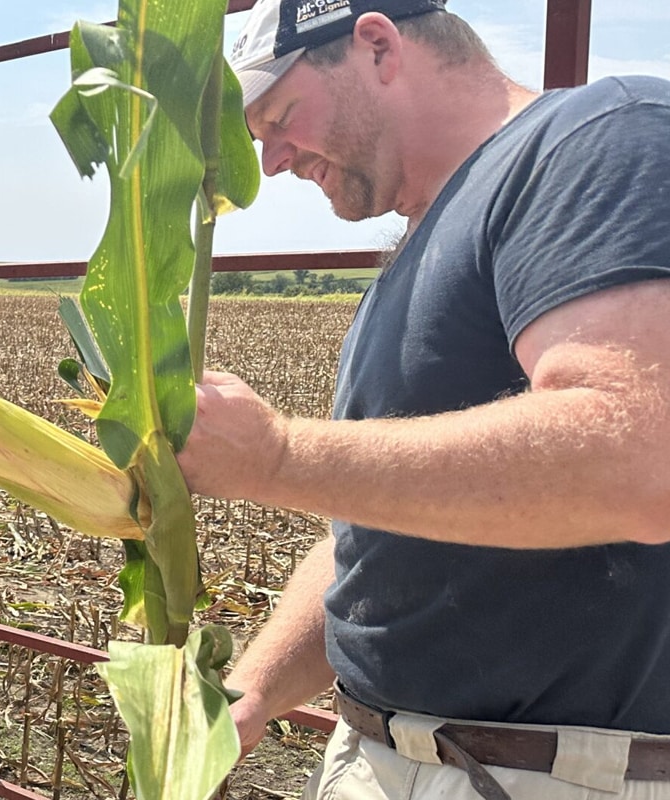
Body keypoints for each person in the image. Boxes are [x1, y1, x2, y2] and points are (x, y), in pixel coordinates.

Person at [185, 1, 670, 798]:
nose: (268, 161)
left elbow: (638, 461)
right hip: (383, 751)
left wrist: (276, 457)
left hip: (538, 771)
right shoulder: (418, 247)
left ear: (377, 46)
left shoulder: (594, 139)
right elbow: (380, 539)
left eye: (277, 117)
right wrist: (256, 691)